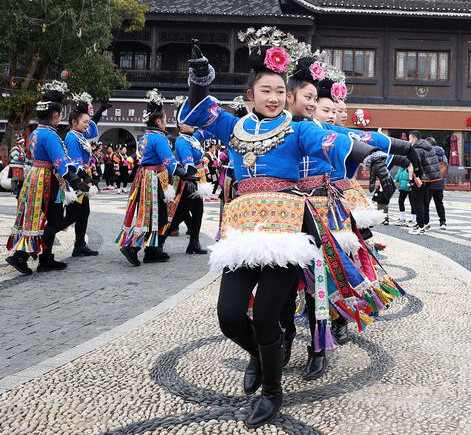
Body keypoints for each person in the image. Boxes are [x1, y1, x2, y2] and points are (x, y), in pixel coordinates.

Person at [181, 40, 385, 428]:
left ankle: (272, 391)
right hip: (242, 232)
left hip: (288, 232)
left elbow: (332, 140)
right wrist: (200, 79)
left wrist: (368, 152)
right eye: (266, 90)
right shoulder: (233, 125)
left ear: (287, 95)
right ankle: (259, 354)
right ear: (250, 94)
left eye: (280, 91)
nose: (274, 98)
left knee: (268, 315)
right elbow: (196, 110)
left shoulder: (298, 130)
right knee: (228, 316)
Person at [5, 81, 91, 275]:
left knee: (47, 217)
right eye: (60, 113)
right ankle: (22, 255)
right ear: (55, 114)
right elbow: (60, 161)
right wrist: (76, 181)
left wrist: (79, 175)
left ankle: (45, 257)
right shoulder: (50, 135)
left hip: (36, 177)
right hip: (46, 180)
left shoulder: (36, 132)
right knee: (51, 219)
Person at [116, 89, 197, 266]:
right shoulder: (159, 138)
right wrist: (185, 174)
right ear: (159, 121)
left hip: (147, 177)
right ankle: (133, 247)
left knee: (154, 214)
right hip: (153, 179)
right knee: (154, 216)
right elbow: (169, 160)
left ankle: (152, 250)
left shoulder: (146, 136)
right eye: (166, 119)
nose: (167, 122)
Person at [63, 93, 111, 257]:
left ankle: (80, 245)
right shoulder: (71, 137)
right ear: (74, 122)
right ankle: (47, 237)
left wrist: (99, 111)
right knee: (73, 215)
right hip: (77, 177)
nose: (87, 125)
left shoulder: (80, 134)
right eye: (84, 122)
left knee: (84, 212)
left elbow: (91, 124)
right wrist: (85, 180)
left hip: (84, 175)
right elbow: (75, 164)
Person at [168, 118, 210, 256]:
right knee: (180, 212)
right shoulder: (182, 141)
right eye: (187, 121)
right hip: (187, 180)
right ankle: (159, 240)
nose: (192, 123)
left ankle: (194, 243)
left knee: (198, 211)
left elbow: (207, 131)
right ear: (180, 125)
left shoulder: (193, 137)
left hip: (196, 179)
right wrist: (191, 180)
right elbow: (188, 161)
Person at [407, 130, 442, 235]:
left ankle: (421, 226)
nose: (409, 141)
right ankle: (425, 223)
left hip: (420, 178)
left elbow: (414, 165)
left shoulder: (417, 149)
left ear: (415, 138)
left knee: (418, 202)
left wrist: (412, 179)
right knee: (424, 202)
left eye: (410, 138)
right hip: (430, 179)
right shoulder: (429, 147)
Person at [426, 136, 448, 229]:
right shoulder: (443, 155)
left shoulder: (428, 154)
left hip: (429, 183)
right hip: (440, 183)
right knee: (439, 203)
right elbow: (446, 169)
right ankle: (443, 222)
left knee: (425, 204)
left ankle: (426, 223)